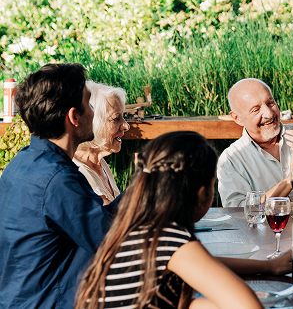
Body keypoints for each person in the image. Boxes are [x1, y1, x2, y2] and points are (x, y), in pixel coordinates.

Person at [75, 131, 271, 309]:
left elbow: (201, 267)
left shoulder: (137, 229)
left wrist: (270, 266)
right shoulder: (168, 239)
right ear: (202, 193)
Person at [0, 64, 121, 308]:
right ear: (74, 117)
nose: (94, 112)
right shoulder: (58, 180)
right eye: (90, 105)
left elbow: (98, 220)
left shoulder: (22, 163)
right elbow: (113, 243)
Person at [217, 78, 293, 207]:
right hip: (267, 228)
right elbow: (238, 211)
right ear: (237, 118)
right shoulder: (231, 159)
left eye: (270, 103)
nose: (269, 114)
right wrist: (290, 180)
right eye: (256, 110)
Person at [73, 81, 130, 205]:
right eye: (116, 119)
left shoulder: (99, 162)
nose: (126, 126)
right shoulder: (77, 172)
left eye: (123, 117)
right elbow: (110, 219)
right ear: (94, 123)